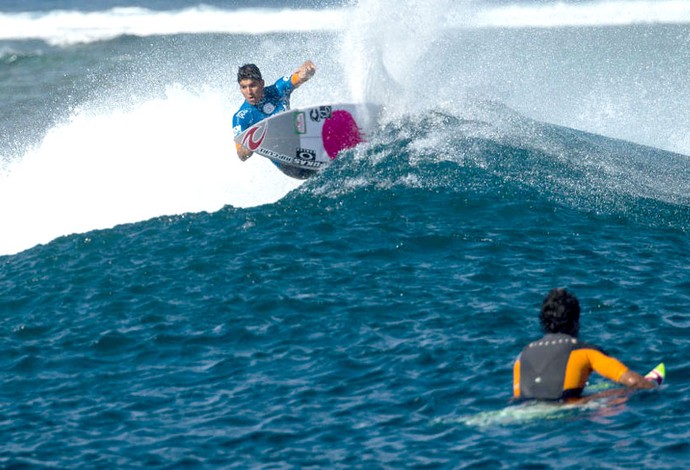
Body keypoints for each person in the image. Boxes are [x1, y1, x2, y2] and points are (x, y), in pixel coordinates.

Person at [513, 288, 656, 402]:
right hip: (565, 411)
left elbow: (519, 397)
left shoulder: (522, 355)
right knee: (626, 391)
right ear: (575, 322)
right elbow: (633, 381)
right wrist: (654, 388)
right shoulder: (585, 351)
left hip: (521, 412)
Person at [232, 61, 317, 177]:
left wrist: (307, 70)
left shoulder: (279, 90)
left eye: (252, 85)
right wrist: (251, 143)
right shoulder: (241, 117)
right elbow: (241, 155)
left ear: (262, 84)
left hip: (304, 142)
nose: (249, 92)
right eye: (243, 87)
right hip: (290, 164)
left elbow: (300, 75)